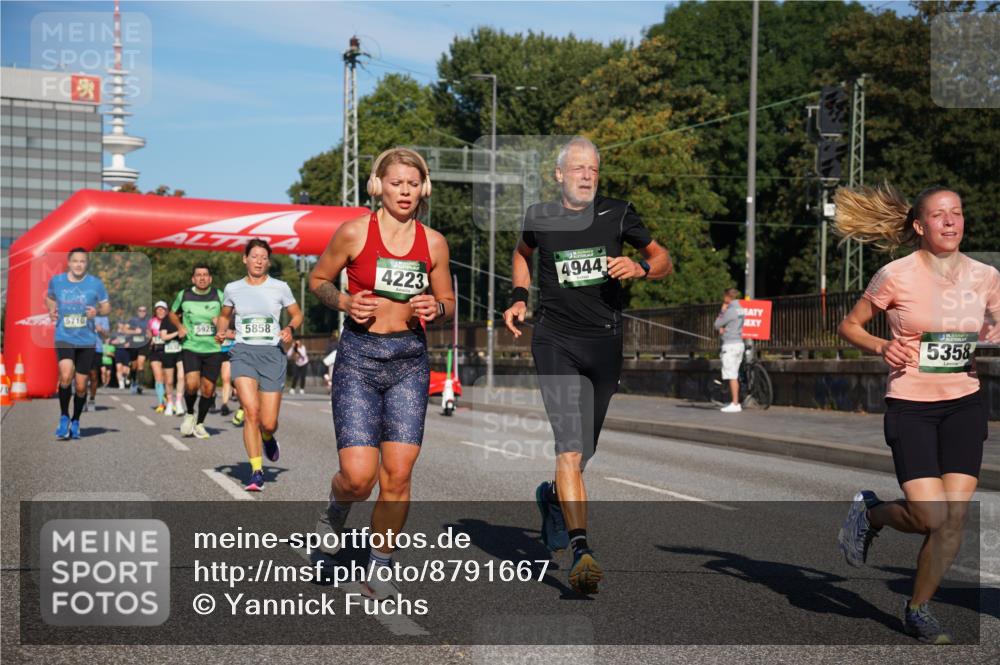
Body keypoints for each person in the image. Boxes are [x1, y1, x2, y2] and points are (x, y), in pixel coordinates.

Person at [502, 136, 672, 595]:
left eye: (593, 170)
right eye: (578, 169)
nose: (586, 176)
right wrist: (519, 298)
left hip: (605, 344)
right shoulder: (540, 217)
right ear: (559, 175)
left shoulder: (618, 213)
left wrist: (639, 267)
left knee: (585, 454)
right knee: (570, 449)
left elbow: (663, 259)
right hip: (555, 340)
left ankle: (552, 499)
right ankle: (581, 549)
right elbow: (522, 254)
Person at [834, 184, 1000, 644]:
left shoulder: (986, 275)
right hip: (911, 404)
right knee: (930, 515)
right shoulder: (895, 275)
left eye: (958, 213)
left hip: (964, 401)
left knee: (955, 517)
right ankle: (872, 514)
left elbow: (995, 328)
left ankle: (918, 608)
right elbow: (849, 325)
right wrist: (882, 345)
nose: (950, 221)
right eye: (939, 215)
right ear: (919, 226)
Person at [309, 146, 455, 599]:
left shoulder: (433, 243)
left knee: (398, 473)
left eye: (413, 183)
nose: (405, 191)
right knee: (358, 477)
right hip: (359, 358)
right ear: (378, 186)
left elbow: (449, 303)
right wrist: (346, 302)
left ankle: (380, 564)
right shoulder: (353, 233)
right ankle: (336, 510)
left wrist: (438, 306)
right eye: (396, 183)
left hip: (409, 360)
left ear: (424, 188)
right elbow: (318, 281)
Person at [216, 238, 302, 491]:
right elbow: (224, 316)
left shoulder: (280, 287)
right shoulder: (233, 288)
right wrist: (222, 331)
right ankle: (256, 472)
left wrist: (289, 328)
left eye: (263, 258)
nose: (259, 261)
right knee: (250, 412)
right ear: (245, 259)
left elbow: (297, 314)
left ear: (269, 262)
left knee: (268, 422)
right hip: (242, 353)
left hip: (272, 355)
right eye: (254, 256)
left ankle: (267, 436)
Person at [45, 247, 111, 439]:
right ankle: (64, 416)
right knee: (65, 376)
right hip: (64, 336)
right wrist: (51, 310)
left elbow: (106, 306)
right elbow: (49, 298)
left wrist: (96, 312)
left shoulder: (95, 284)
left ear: (86, 263)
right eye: (75, 261)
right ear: (69, 262)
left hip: (87, 340)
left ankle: (76, 419)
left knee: (81, 386)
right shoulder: (57, 281)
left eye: (82, 261)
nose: (78, 264)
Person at [168, 264, 225, 440]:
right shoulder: (184, 294)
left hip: (213, 348)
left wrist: (221, 326)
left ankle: (200, 423)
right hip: (191, 346)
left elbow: (227, 316)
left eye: (205, 275)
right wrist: (179, 327)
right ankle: (190, 413)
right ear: (193, 279)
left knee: (208, 390)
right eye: (198, 275)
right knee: (192, 384)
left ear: (210, 279)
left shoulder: (219, 295)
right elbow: (172, 313)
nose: (202, 278)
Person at [714, 288, 746, 413]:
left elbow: (717, 324)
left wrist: (722, 311)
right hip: (739, 343)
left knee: (731, 375)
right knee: (735, 373)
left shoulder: (730, 310)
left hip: (730, 345)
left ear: (728, 297)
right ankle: (735, 400)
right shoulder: (740, 309)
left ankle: (735, 403)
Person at [158, 304, 184, 416]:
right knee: (169, 381)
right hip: (168, 352)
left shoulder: (185, 319)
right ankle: (169, 402)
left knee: (182, 376)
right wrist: (177, 333)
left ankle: (178, 402)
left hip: (181, 351)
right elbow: (163, 337)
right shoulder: (166, 320)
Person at [147, 302, 170, 413]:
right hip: (155, 351)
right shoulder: (152, 322)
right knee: (158, 377)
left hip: (168, 351)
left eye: (163, 309)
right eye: (158, 309)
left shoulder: (170, 321)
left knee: (167, 378)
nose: (160, 311)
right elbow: (148, 335)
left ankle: (167, 397)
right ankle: (161, 403)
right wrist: (149, 339)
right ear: (155, 311)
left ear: (166, 310)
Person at [124, 305, 151, 394]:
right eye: (140, 310)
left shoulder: (148, 321)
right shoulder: (133, 320)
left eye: (144, 311)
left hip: (143, 345)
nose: (142, 312)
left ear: (146, 312)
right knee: (134, 365)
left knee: (141, 363)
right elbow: (125, 330)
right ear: (137, 311)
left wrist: (149, 335)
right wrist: (134, 332)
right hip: (134, 344)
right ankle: (133, 381)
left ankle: (140, 385)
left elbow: (152, 331)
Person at [87, 312, 110, 411]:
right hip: (82, 347)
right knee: (82, 375)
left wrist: (101, 330)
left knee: (94, 375)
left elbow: (107, 335)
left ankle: (92, 399)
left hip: (97, 348)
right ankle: (81, 398)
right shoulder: (81, 312)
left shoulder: (103, 317)